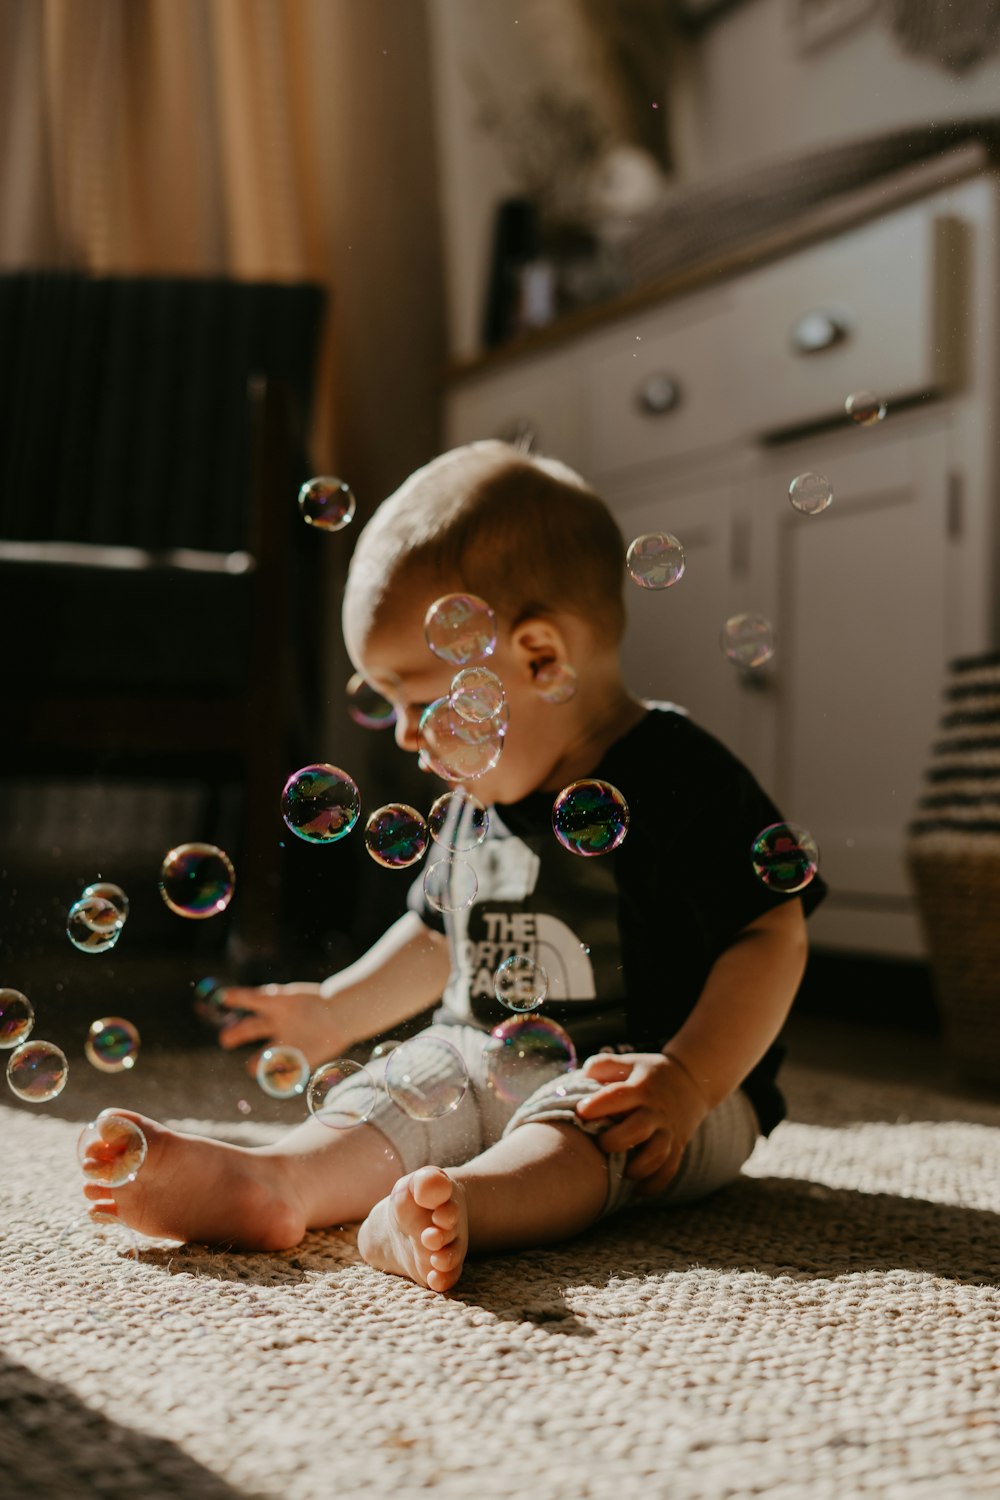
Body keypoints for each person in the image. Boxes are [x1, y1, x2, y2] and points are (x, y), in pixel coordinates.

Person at [80, 441, 824, 1293]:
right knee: (401, 1086)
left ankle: (461, 1204)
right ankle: (277, 1180)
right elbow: (436, 937)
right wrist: (334, 1011)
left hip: (653, 1084)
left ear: (541, 658)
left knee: (584, 1132)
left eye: (419, 697)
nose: (401, 734)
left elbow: (771, 931)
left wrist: (690, 1079)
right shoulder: (475, 796)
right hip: (483, 1055)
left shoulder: (679, 773)